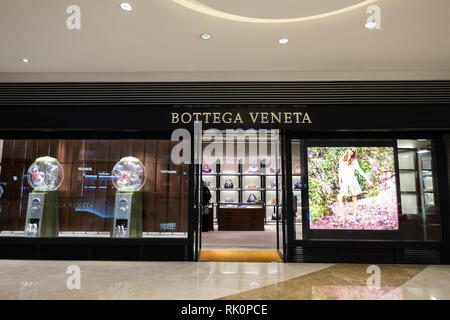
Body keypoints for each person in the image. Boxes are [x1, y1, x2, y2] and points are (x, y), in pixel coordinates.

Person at [336, 148, 372, 220]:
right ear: (348, 150)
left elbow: (360, 171)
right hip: (345, 182)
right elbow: (340, 170)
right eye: (350, 149)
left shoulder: (354, 161)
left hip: (352, 181)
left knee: (354, 198)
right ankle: (342, 216)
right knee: (339, 197)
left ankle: (354, 217)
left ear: (353, 153)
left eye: (353, 151)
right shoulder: (342, 159)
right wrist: (339, 181)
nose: (351, 151)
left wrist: (368, 179)